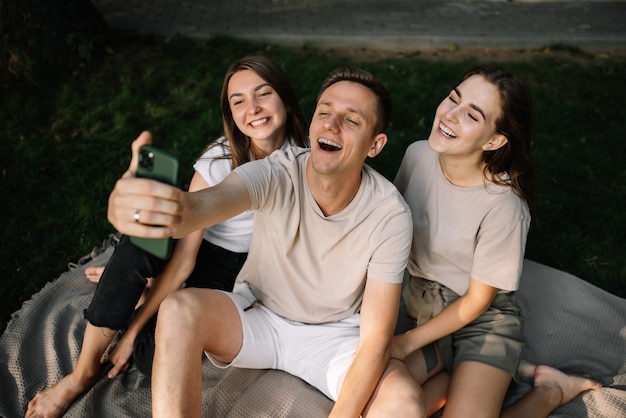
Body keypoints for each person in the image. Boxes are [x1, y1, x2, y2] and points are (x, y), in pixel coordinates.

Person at [106, 66, 433, 418]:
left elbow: (374, 341)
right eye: (324, 111)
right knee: (178, 309)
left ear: (375, 145)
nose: (331, 125)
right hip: (258, 313)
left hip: (334, 337)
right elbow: (197, 207)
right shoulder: (277, 171)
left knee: (404, 403)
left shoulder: (390, 215)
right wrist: (151, 209)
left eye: (351, 120)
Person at [25, 55, 309, 418]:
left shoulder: (308, 157)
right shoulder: (217, 162)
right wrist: (124, 334)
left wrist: (136, 334)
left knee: (148, 355)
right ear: (230, 113)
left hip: (238, 270)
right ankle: (80, 374)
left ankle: (143, 289)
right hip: (196, 247)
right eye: (238, 101)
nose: (252, 108)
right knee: (139, 244)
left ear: (285, 97)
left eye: (263, 94)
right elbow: (185, 260)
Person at [391, 65, 601, 417]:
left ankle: (551, 389)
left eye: (471, 115)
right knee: (382, 405)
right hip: (421, 311)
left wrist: (404, 344)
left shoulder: (504, 205)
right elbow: (390, 228)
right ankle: (460, 375)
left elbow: (477, 302)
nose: (450, 115)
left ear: (494, 140)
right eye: (453, 99)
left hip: (482, 322)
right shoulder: (417, 155)